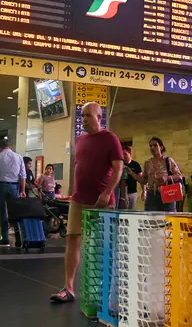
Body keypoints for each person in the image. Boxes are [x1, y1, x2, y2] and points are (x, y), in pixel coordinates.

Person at [50, 102, 124, 305]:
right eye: (82, 116)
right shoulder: (80, 140)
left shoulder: (110, 139)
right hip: (78, 199)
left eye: (88, 116)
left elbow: (118, 169)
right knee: (72, 239)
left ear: (99, 118)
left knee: (102, 245)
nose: (84, 119)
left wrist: (107, 192)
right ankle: (69, 288)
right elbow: (80, 167)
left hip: (101, 202)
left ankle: (105, 290)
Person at [0, 140, 27, 246]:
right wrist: (23, 190)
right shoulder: (19, 157)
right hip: (15, 186)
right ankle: (18, 236)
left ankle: (5, 238)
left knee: (2, 212)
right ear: (10, 146)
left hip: (1, 186)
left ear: (0, 146)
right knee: (15, 212)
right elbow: (23, 175)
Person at [139, 137, 182, 212]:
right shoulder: (147, 163)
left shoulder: (168, 161)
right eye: (150, 146)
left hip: (167, 193)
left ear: (161, 147)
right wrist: (132, 174)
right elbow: (144, 180)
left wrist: (166, 177)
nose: (152, 147)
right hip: (151, 195)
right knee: (151, 219)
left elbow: (179, 176)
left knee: (168, 220)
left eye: (155, 145)